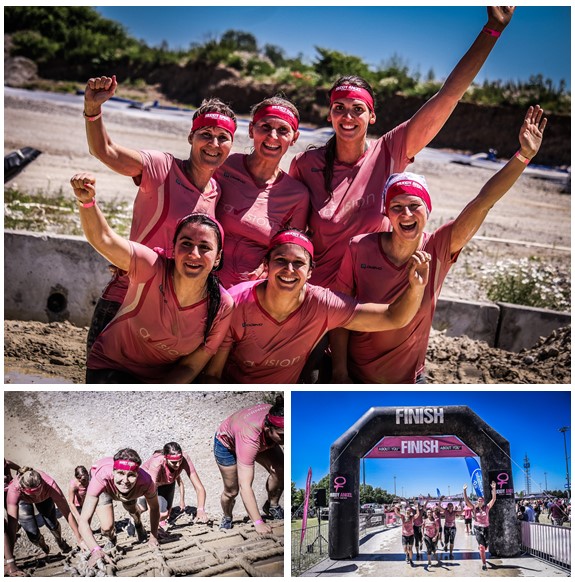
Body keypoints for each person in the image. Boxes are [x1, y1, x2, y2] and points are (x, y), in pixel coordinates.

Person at [289, 7, 515, 290]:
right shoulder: (305, 164)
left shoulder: (389, 151)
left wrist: (492, 30)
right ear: (329, 114)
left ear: (372, 116)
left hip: (370, 296)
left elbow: (449, 96)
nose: (348, 117)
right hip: (317, 295)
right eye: (339, 108)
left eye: (357, 109)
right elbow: (291, 235)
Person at [332, 104, 547, 383]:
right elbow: (340, 314)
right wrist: (339, 373)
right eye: (396, 206)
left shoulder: (438, 248)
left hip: (410, 382)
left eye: (414, 205)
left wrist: (523, 157)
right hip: (354, 378)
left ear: (427, 210)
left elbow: (483, 202)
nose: (406, 214)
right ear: (386, 212)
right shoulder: (359, 247)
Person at [82, 75, 237, 351]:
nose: (214, 144)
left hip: (173, 313)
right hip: (126, 298)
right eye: (205, 135)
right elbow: (104, 151)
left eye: (222, 138)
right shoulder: (161, 168)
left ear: (230, 145)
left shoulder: (216, 191)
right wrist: (93, 110)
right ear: (191, 136)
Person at [203, 228, 431, 383]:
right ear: (266, 265)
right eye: (281, 260)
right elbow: (212, 375)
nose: (289, 270)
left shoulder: (322, 304)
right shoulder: (236, 303)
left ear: (311, 272)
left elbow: (393, 318)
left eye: (299, 263)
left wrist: (415, 288)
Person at [71, 173, 234, 383]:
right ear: (173, 249)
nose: (194, 254)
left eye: (205, 248)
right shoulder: (151, 266)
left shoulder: (222, 305)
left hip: (160, 382)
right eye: (185, 243)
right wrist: (87, 202)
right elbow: (104, 239)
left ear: (218, 256)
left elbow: (190, 366)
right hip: (113, 368)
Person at [215, 96, 310, 288]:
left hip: (250, 295)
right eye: (265, 127)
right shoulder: (223, 166)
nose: (272, 136)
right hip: (201, 283)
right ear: (252, 130)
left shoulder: (297, 195)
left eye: (283, 130)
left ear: (295, 138)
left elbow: (291, 250)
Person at [213, 396, 284, 533]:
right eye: (282, 435)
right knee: (232, 491)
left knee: (281, 469)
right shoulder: (249, 435)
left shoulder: (278, 414)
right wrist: (258, 522)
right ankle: (227, 516)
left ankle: (272, 505)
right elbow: (245, 485)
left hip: (258, 437)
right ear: (268, 428)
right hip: (227, 446)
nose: (286, 439)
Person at [78, 449, 160, 566]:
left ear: (137, 474)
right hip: (106, 487)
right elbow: (83, 520)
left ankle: (137, 523)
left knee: (132, 510)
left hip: (132, 490)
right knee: (106, 527)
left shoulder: (146, 481)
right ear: (114, 471)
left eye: (131, 475)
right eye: (121, 473)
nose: (125, 480)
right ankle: (111, 538)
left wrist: (153, 536)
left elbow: (155, 508)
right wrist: (95, 550)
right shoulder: (101, 477)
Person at [5, 467, 83, 576]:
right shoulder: (15, 489)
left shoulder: (50, 484)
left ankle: (59, 540)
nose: (36, 496)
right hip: (23, 500)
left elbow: (67, 512)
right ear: (23, 488)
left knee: (52, 524)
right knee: (32, 534)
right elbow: (12, 525)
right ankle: (43, 547)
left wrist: (80, 540)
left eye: (38, 491)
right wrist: (10, 560)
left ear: (42, 483)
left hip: (45, 498)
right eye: (33, 494)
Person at [138, 442, 208, 531]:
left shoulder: (185, 458)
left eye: (180, 461)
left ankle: (147, 514)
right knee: (155, 511)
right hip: (148, 483)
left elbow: (199, 487)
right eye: (174, 462)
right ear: (165, 458)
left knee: (165, 514)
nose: (178, 465)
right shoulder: (157, 463)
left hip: (167, 483)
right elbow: (151, 491)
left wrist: (200, 509)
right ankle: (136, 518)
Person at [464, 481, 497, 571]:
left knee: (485, 547)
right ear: (477, 502)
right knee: (482, 548)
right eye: (478, 500)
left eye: (481, 500)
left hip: (486, 528)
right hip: (478, 528)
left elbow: (494, 499)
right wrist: (464, 491)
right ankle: (484, 564)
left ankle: (481, 548)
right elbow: (466, 501)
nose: (480, 501)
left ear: (483, 501)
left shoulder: (486, 507)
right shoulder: (474, 508)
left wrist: (494, 489)